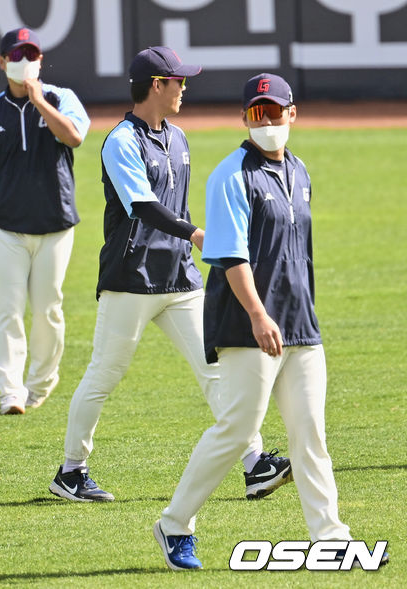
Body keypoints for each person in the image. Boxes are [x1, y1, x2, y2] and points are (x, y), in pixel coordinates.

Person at [153, 73, 386, 570]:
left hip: (301, 325)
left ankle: (330, 533)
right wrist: (258, 315)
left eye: (275, 111)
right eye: (257, 113)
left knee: (310, 434)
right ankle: (175, 524)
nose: (268, 121)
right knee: (237, 430)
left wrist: (295, 316)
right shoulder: (231, 174)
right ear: (244, 119)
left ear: (292, 113)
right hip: (247, 327)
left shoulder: (299, 171)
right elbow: (230, 256)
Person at [49, 48, 290, 503]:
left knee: (215, 370)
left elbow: (177, 206)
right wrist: (197, 233)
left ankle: (255, 464)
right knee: (104, 374)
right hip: (131, 277)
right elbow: (141, 206)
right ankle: (71, 471)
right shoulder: (120, 141)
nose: (184, 87)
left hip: (179, 278)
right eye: (177, 80)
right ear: (156, 85)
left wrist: (195, 240)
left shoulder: (178, 137)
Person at [0, 27, 89, 415]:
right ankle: (10, 391)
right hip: (7, 227)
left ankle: (41, 382)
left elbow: (74, 137)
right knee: (8, 309)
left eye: (31, 55)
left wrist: (40, 101)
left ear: (41, 60)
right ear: (1, 62)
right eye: (16, 55)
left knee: (48, 309)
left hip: (56, 226)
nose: (24, 62)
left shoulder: (63, 99)